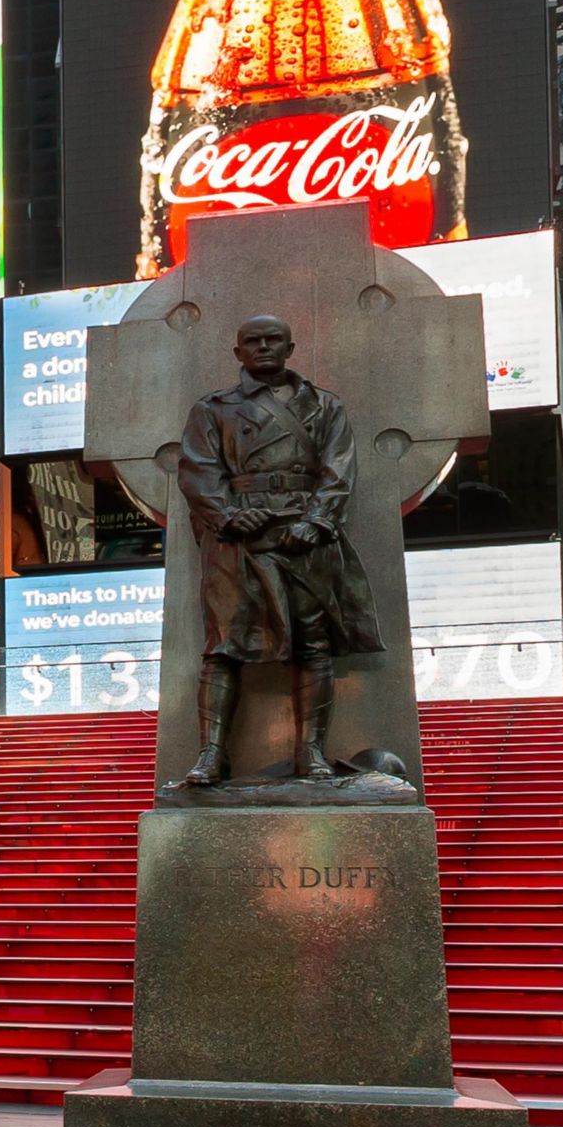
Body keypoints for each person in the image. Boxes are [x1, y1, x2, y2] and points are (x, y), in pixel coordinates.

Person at [172, 312, 384, 788]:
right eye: (253, 340)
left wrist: (317, 520)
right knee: (223, 646)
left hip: (303, 538)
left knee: (314, 644)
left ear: (290, 348)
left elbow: (339, 470)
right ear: (238, 352)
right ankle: (210, 755)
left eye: (274, 340)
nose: (263, 347)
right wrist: (226, 514)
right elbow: (197, 470)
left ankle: (310, 753)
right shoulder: (213, 409)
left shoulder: (325, 406)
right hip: (238, 540)